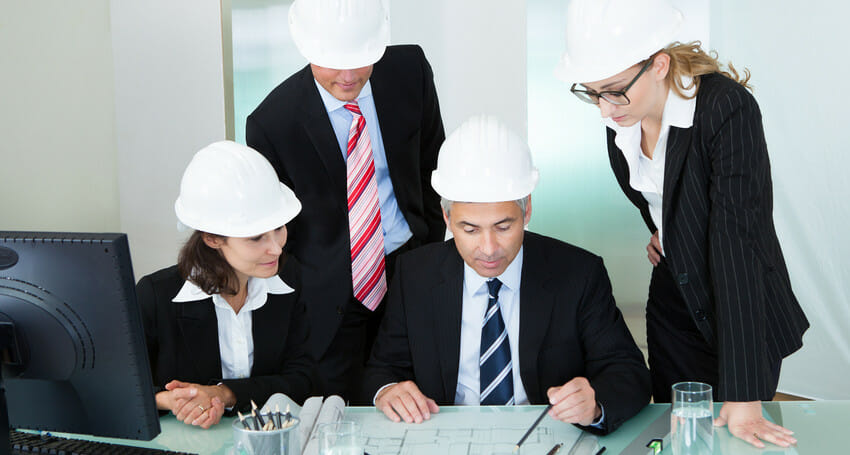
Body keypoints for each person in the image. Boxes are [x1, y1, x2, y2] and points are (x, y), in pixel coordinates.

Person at [554, 0, 809, 447]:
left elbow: (739, 246)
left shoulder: (725, 109)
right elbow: (657, 197)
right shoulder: (621, 121)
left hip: (741, 307)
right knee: (673, 435)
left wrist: (744, 390)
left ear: (659, 65)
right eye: (592, 92)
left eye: (613, 90)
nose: (603, 110)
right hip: (674, 303)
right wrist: (667, 231)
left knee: (734, 435)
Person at [363, 115, 650, 435]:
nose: (488, 248)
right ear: (446, 217)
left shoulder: (578, 273)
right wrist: (388, 389)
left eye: (504, 226)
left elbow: (628, 372)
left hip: (546, 438)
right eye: (469, 229)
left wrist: (595, 405)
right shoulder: (415, 274)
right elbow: (383, 367)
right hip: (443, 436)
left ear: (526, 211)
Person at [245, 0, 445, 402]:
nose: (349, 75)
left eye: (361, 60)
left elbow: (432, 165)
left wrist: (429, 250)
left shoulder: (410, 71)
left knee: (422, 399)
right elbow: (277, 229)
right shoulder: (271, 123)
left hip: (410, 266)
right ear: (306, 48)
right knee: (343, 407)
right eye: (334, 63)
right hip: (333, 294)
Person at [136, 141, 314, 429]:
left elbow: (303, 379)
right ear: (212, 238)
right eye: (256, 237)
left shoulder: (288, 280)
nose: (276, 249)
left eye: (278, 229)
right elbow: (119, 383)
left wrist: (224, 394)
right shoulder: (156, 296)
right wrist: (171, 400)